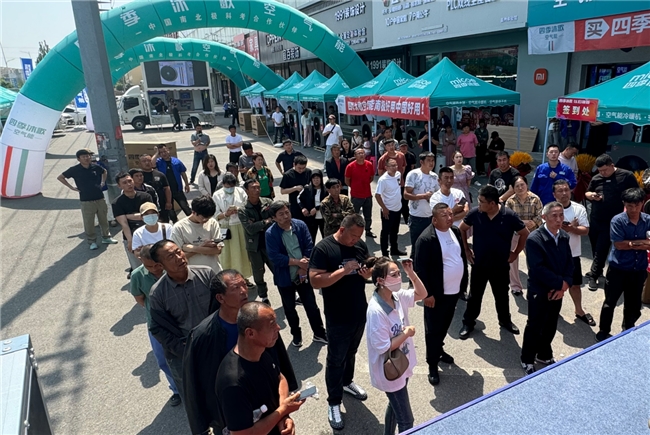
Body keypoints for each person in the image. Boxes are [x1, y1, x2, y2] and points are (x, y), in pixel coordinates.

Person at [182, 270, 298, 435]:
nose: (244, 291)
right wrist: (201, 427)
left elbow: (278, 368)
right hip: (232, 414)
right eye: (236, 288)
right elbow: (194, 384)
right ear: (220, 298)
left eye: (244, 284)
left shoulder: (259, 319)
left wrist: (283, 411)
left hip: (268, 407)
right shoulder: (202, 336)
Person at [309, 214, 373, 430]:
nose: (356, 240)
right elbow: (315, 280)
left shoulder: (359, 245)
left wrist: (366, 273)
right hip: (337, 316)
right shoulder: (324, 249)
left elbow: (368, 269)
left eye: (359, 236)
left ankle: (347, 382)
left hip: (359, 311)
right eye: (353, 236)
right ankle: (334, 402)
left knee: (351, 352)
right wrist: (343, 271)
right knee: (336, 359)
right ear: (342, 230)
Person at [215, 302, 305, 435]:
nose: (278, 328)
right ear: (250, 333)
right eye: (271, 325)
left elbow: (280, 378)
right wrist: (283, 411)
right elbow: (243, 434)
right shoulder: (233, 384)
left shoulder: (261, 352)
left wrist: (283, 415)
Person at [149, 240, 217, 401]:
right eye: (170, 256)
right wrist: (185, 350)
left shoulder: (206, 274)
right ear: (160, 265)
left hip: (215, 344)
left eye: (178, 252)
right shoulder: (157, 294)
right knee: (195, 400)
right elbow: (158, 329)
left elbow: (224, 306)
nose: (179, 257)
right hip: (183, 354)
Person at [366, 256, 427, 434]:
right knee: (406, 420)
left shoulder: (397, 296)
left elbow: (422, 294)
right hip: (390, 371)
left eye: (399, 273)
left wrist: (411, 274)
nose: (399, 277)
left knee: (395, 408)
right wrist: (406, 333)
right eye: (394, 274)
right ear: (380, 281)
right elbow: (383, 347)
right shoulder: (376, 311)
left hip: (401, 365)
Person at [458, 185, 529, 340]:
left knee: (502, 295)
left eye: (481, 201)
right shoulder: (476, 213)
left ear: (492, 203)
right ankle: (468, 322)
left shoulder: (509, 215)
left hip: (500, 265)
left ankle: (505, 321)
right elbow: (462, 228)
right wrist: (467, 250)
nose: (478, 203)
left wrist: (515, 252)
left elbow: (524, 233)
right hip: (479, 264)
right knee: (475, 296)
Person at [414, 203, 468, 385]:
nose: (449, 218)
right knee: (433, 330)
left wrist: (463, 284)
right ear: (434, 220)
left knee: (444, 325)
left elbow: (460, 257)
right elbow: (420, 269)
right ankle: (432, 364)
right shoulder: (426, 239)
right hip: (436, 295)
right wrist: (427, 294)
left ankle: (439, 350)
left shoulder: (455, 231)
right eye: (444, 215)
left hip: (453, 292)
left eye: (450, 214)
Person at [520, 201, 574, 375]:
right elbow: (538, 269)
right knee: (535, 325)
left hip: (558, 290)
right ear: (544, 217)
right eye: (554, 216)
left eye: (561, 215)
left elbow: (569, 262)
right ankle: (527, 359)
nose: (558, 219)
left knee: (551, 324)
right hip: (540, 290)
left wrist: (564, 285)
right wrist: (559, 283)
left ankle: (544, 354)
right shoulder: (534, 239)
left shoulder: (564, 236)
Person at [266, 201, 328, 347]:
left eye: (287, 212)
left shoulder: (300, 225)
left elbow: (309, 246)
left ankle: (319, 333)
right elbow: (275, 257)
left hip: (303, 275)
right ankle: (296, 335)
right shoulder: (271, 234)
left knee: (311, 305)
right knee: (289, 308)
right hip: (285, 277)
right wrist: (298, 262)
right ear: (274, 218)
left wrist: (304, 267)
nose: (285, 216)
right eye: (281, 214)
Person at [596, 188, 650, 342]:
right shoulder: (617, 220)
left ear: (642, 203)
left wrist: (631, 243)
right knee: (610, 302)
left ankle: (628, 329)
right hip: (618, 269)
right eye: (630, 206)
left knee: (633, 304)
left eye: (637, 205)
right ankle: (603, 330)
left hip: (638, 269)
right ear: (624, 204)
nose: (633, 209)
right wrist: (644, 243)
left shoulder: (648, 220)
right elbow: (619, 245)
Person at [130, 245, 181, 407]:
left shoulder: (172, 269)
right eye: (149, 266)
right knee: (164, 360)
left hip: (179, 320)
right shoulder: (137, 275)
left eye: (157, 265)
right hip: (156, 325)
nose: (154, 269)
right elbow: (140, 299)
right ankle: (177, 390)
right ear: (141, 261)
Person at [585, 154, 639, 291]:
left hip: (613, 221)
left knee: (601, 248)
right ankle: (598, 269)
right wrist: (591, 195)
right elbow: (587, 192)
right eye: (600, 171)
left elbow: (636, 193)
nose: (602, 173)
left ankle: (594, 276)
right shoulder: (597, 178)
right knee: (595, 247)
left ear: (612, 165)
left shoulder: (626, 176)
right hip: (595, 218)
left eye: (605, 170)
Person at [552, 179, 594, 325]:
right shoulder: (549, 209)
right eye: (560, 191)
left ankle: (579, 310)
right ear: (554, 194)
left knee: (575, 285)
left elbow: (585, 230)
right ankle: (553, 311)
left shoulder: (579, 209)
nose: (564, 193)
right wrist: (569, 228)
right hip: (555, 255)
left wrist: (571, 228)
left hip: (573, 254)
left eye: (566, 190)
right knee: (555, 285)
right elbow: (549, 231)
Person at [57, 148, 118, 250]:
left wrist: (103, 182)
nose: (87, 158)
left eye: (88, 156)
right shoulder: (75, 169)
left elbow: (104, 172)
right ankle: (92, 241)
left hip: (100, 198)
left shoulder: (95, 167)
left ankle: (106, 237)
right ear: (78, 159)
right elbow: (60, 177)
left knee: (103, 220)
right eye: (84, 156)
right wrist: (71, 187)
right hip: (86, 200)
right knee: (89, 222)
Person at [505, 176, 543, 295]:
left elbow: (541, 215)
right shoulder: (510, 201)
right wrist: (523, 223)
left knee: (533, 260)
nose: (520, 188)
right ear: (513, 188)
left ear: (527, 185)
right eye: (517, 186)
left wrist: (534, 222)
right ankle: (515, 286)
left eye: (522, 185)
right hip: (515, 234)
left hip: (532, 234)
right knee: (512, 260)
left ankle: (534, 283)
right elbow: (507, 218)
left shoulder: (535, 199)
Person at [239, 179, 274, 305]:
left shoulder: (267, 202)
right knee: (258, 273)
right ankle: (263, 296)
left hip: (270, 244)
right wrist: (265, 222)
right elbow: (250, 229)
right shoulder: (243, 209)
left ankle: (290, 292)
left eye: (258, 187)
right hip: (255, 246)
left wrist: (260, 224)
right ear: (247, 191)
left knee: (278, 269)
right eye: (253, 188)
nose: (257, 190)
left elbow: (275, 219)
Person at [112, 172, 153, 277]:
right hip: (131, 236)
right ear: (119, 186)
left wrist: (128, 215)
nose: (129, 184)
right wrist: (130, 241)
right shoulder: (117, 203)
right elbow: (124, 223)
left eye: (130, 181)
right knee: (138, 268)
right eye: (124, 183)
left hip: (149, 234)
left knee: (155, 262)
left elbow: (151, 215)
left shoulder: (146, 197)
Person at [212, 173, 252, 278]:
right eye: (227, 186)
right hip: (226, 228)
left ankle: (243, 277)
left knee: (242, 253)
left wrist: (239, 210)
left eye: (232, 186)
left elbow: (247, 206)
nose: (230, 189)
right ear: (223, 184)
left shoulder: (240, 191)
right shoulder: (217, 195)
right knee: (228, 255)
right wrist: (226, 214)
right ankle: (228, 278)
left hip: (240, 226)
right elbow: (215, 214)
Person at [171, 195, 223, 273]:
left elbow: (218, 250)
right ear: (193, 212)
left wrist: (191, 248)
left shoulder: (213, 223)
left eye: (209, 217)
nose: (206, 220)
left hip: (214, 270)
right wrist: (203, 246)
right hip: (193, 273)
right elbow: (179, 257)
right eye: (203, 218)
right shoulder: (179, 227)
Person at [404, 151, 440, 249]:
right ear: (421, 162)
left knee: (430, 246)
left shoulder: (434, 176)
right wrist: (423, 196)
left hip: (431, 216)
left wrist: (432, 198)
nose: (431, 163)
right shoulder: (413, 174)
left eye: (433, 160)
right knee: (417, 246)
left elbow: (438, 194)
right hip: (417, 217)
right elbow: (406, 195)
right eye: (428, 160)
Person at [375, 158, 407, 257]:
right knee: (385, 232)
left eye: (396, 165)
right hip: (388, 210)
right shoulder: (383, 180)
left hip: (398, 208)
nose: (395, 167)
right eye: (392, 166)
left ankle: (394, 249)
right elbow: (377, 195)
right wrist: (384, 208)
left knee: (395, 231)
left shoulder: (398, 174)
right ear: (386, 167)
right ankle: (384, 253)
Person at [153, 144, 192, 217]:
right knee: (171, 212)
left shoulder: (176, 161)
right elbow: (152, 163)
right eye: (161, 152)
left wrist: (187, 184)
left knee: (186, 208)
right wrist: (156, 153)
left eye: (164, 151)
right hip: (166, 192)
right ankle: (175, 222)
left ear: (168, 150)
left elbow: (183, 173)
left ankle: (193, 221)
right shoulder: (159, 162)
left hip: (178, 190)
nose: (163, 154)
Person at [345, 148, 376, 238]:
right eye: (359, 153)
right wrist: (355, 186)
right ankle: (353, 232)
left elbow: (371, 177)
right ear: (355, 156)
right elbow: (347, 181)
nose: (361, 155)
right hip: (356, 196)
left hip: (367, 195)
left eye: (362, 153)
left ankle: (368, 230)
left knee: (368, 215)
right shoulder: (350, 166)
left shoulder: (369, 164)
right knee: (354, 216)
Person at [139, 153, 174, 223]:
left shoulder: (160, 174)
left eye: (149, 160)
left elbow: (167, 188)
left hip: (161, 204)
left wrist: (168, 202)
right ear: (140, 163)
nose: (147, 163)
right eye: (144, 161)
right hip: (145, 206)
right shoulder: (138, 176)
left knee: (164, 222)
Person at [298, 169, 328, 242]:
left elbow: (328, 201)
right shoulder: (307, 189)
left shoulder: (326, 189)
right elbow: (298, 198)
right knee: (311, 238)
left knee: (325, 237)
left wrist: (316, 208)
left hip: (323, 218)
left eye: (317, 178)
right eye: (314, 179)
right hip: (311, 218)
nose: (316, 180)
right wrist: (303, 208)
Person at [280, 154, 311, 219]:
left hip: (307, 203)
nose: (301, 170)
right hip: (294, 204)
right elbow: (282, 191)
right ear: (294, 164)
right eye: (299, 168)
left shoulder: (308, 172)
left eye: (303, 168)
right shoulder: (288, 175)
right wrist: (295, 188)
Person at [399, 141, 416, 224]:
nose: (404, 148)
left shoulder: (411, 155)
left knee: (406, 200)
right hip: (400, 180)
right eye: (402, 146)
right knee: (401, 200)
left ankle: (407, 218)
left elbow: (412, 167)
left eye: (405, 146)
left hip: (408, 179)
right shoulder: (398, 156)